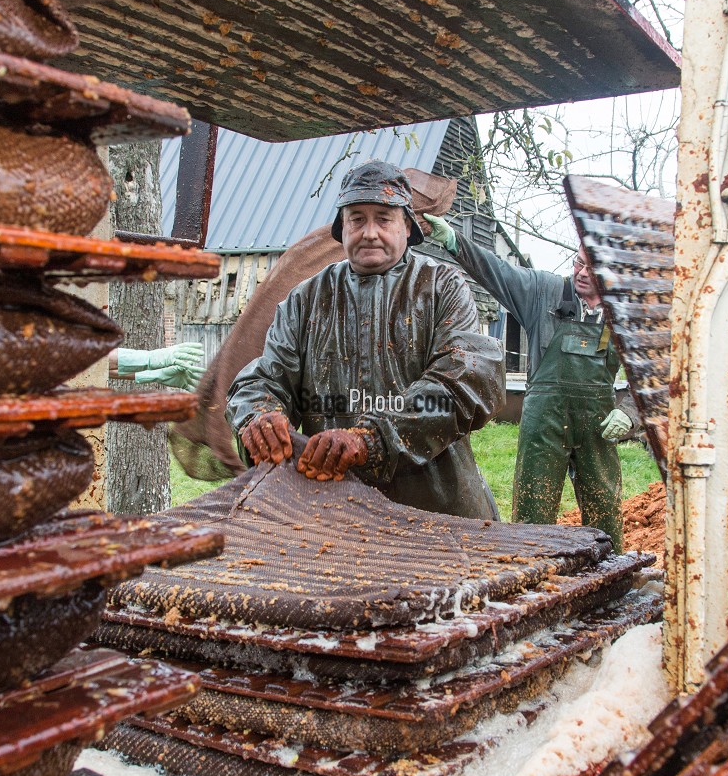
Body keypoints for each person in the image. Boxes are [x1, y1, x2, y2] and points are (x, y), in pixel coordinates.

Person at [226, 160, 505, 519]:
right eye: (357, 219)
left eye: (383, 218)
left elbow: (467, 382)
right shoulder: (307, 298)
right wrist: (258, 414)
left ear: (407, 226)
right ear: (342, 229)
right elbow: (266, 377)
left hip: (437, 507)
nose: (369, 232)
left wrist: (371, 440)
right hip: (334, 510)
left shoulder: (441, 287)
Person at [424, 215, 632, 547]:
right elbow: (498, 271)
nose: (580, 272)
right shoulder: (544, 291)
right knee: (533, 508)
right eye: (578, 262)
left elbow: (653, 372)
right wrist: (454, 242)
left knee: (604, 506)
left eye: (591, 268)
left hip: (599, 424)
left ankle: (614, 574)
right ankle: (530, 576)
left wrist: (630, 414)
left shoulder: (624, 314)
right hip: (544, 423)